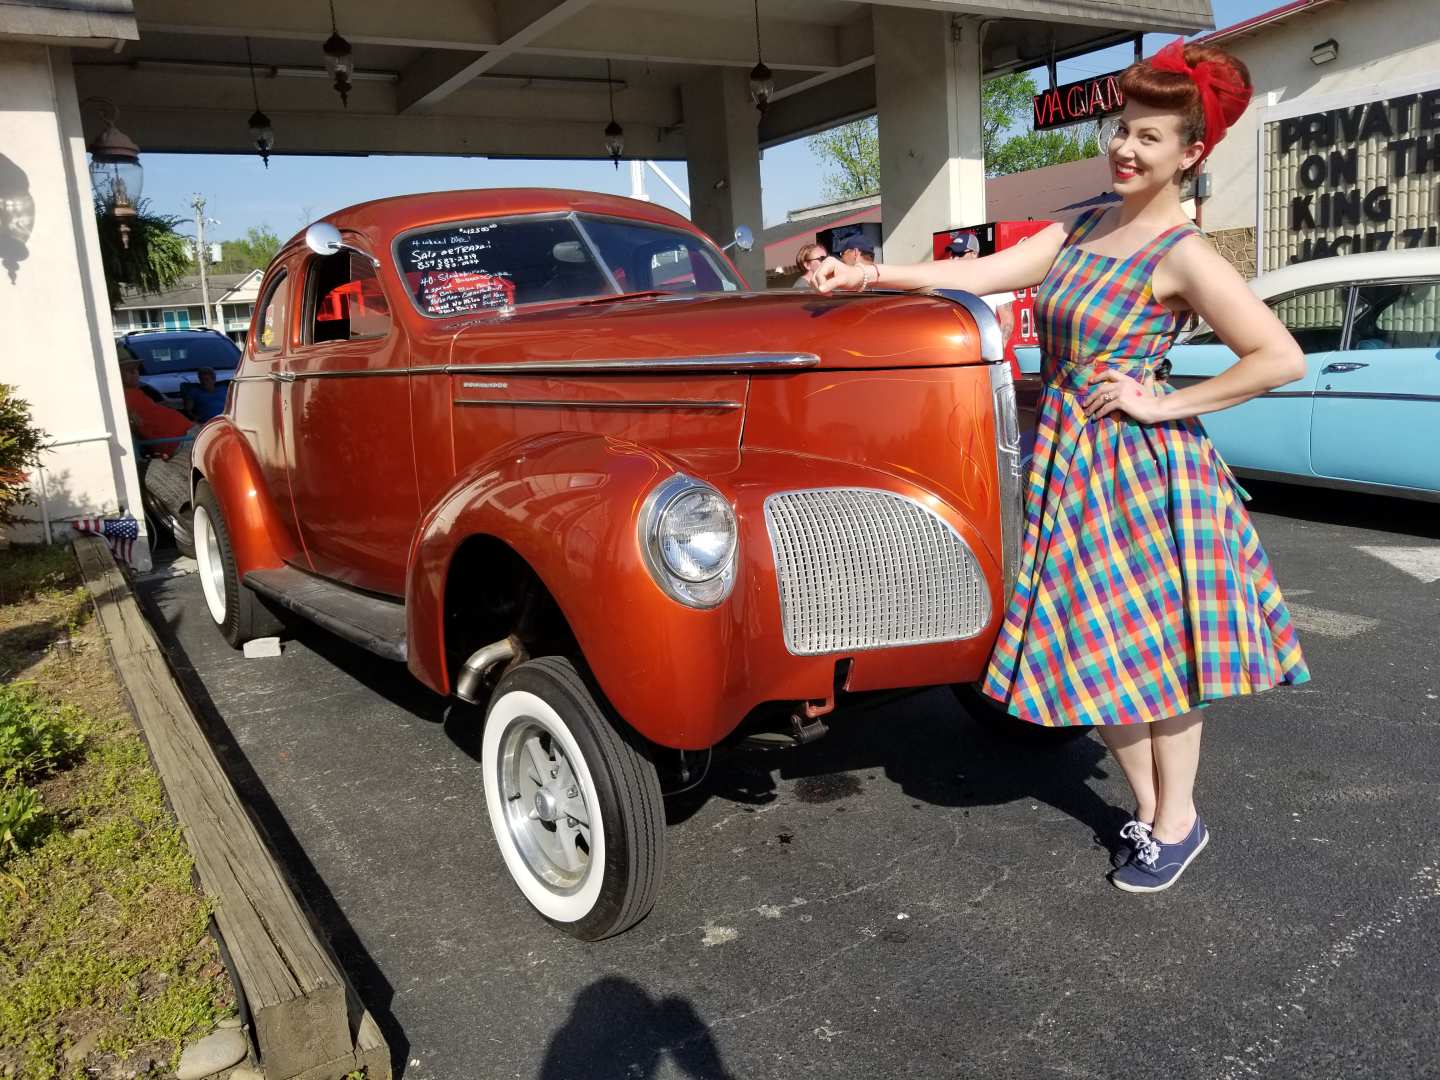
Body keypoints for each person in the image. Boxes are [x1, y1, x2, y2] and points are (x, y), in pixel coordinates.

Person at [811, 40, 1309, 893]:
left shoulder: (1183, 255)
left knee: (1158, 656)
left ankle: (1177, 819)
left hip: (1147, 474)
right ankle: (1153, 814)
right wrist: (869, 276)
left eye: (1149, 137)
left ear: (1190, 154)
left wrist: (1163, 401)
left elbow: (1278, 357)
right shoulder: (1083, 225)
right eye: (1122, 128)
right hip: (1069, 467)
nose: (1124, 147)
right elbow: (979, 272)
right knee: (1090, 646)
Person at [946, 234, 1016, 351]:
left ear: (974, 254)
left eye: (959, 254)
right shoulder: (946, 281)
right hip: (953, 350)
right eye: (952, 254)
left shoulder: (994, 279)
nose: (954, 258)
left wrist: (997, 351)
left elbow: (1007, 321)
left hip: (984, 353)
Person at [119, 357, 193, 457]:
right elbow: (138, 424)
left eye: (136, 369)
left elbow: (153, 409)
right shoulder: (120, 399)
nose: (134, 372)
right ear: (117, 374)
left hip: (186, 431)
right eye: (128, 370)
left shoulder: (137, 392)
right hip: (178, 440)